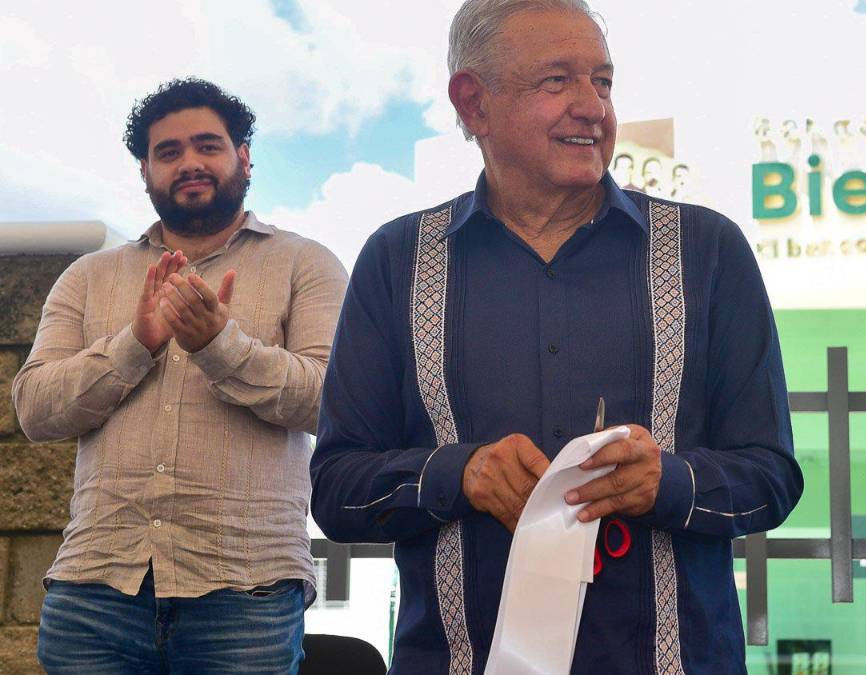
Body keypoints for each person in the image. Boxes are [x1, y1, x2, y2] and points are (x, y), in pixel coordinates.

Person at [309, 1, 803, 673]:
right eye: (557, 81)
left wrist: (668, 481)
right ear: (473, 103)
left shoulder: (708, 249)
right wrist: (460, 474)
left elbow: (771, 477)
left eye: (603, 82)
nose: (593, 108)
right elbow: (337, 489)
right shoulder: (398, 260)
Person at [13, 78, 348, 674]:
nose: (189, 162)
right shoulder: (87, 277)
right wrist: (136, 344)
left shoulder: (308, 264)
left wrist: (220, 346)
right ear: (145, 171)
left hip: (246, 590)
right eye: (168, 152)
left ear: (244, 157)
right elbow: (35, 410)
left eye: (207, 145)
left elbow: (333, 402)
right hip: (95, 588)